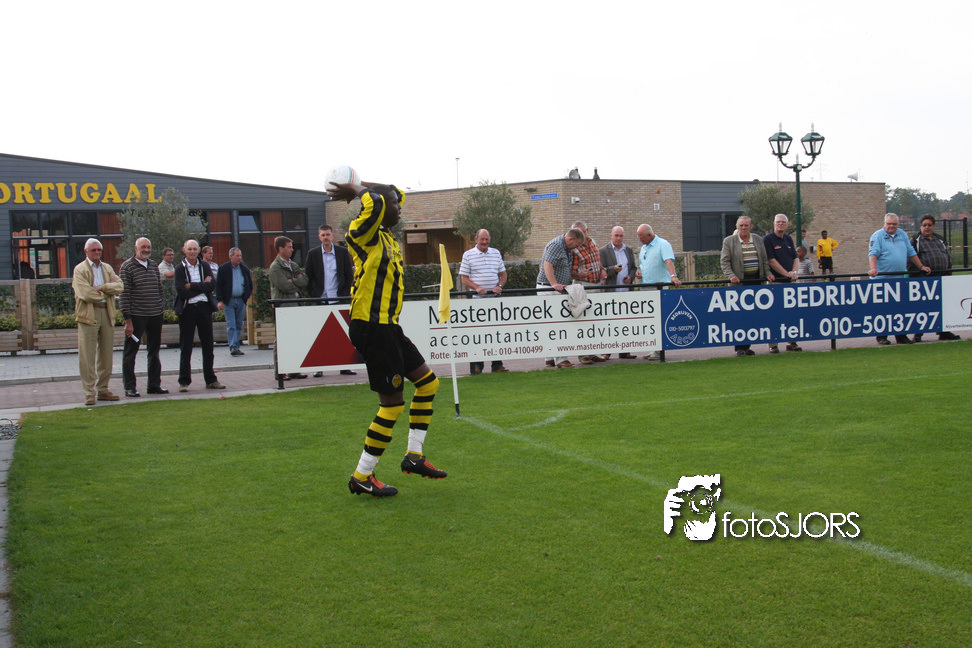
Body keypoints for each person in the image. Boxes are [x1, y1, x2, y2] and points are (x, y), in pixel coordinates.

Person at [327, 179, 447, 498]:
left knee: (428, 383)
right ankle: (361, 475)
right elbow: (378, 202)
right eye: (393, 204)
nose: (399, 207)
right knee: (391, 404)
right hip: (371, 326)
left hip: (388, 326)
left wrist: (365, 183)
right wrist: (357, 190)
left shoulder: (385, 235)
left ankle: (414, 457)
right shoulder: (362, 232)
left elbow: (393, 194)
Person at [72, 238, 124, 405]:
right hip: (88, 314)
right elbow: (85, 293)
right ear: (86, 251)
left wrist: (101, 287)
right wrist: (108, 292)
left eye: (99, 250)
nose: (97, 253)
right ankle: (89, 392)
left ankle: (103, 389)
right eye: (93, 250)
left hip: (107, 313)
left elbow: (120, 286)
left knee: (106, 355)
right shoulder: (80, 269)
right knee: (87, 355)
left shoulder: (107, 268)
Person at [867, 213, 930, 345]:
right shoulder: (877, 236)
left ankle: (901, 336)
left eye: (894, 224)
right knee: (883, 310)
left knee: (899, 309)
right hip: (882, 279)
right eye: (889, 224)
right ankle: (882, 336)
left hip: (899, 279)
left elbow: (911, 252)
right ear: (884, 223)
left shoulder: (902, 234)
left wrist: (921, 266)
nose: (891, 226)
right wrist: (873, 269)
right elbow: (873, 254)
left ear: (898, 224)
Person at [118, 237, 168, 398]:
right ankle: (129, 387)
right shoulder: (127, 267)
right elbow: (124, 294)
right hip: (136, 316)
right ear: (136, 248)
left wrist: (160, 306)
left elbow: (159, 288)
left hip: (155, 315)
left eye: (148, 247)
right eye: (143, 247)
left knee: (154, 351)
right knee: (130, 352)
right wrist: (127, 319)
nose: (146, 250)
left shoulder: (153, 265)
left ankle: (154, 385)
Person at [174, 239, 226, 391]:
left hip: (204, 308)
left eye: (194, 249)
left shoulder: (204, 266)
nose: (192, 252)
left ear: (198, 250)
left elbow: (211, 285)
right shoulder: (179, 268)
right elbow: (181, 291)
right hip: (188, 309)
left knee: (208, 345)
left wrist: (192, 286)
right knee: (186, 346)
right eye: (189, 249)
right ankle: (184, 381)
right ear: (184, 250)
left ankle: (211, 380)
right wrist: (202, 286)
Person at [305, 224, 356, 376]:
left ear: (333, 236)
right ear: (319, 237)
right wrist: (314, 294)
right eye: (323, 235)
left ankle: (344, 366)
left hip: (338, 298)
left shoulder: (342, 252)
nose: (326, 237)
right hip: (320, 299)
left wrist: (344, 294)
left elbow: (348, 275)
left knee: (342, 334)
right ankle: (319, 367)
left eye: (328, 234)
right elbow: (309, 276)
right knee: (319, 335)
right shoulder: (313, 254)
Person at [720, 216, 774, 356]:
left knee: (752, 315)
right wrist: (730, 275)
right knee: (739, 316)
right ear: (737, 227)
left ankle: (747, 346)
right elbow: (724, 262)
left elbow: (764, 259)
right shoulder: (729, 241)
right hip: (739, 283)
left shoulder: (758, 240)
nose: (743, 228)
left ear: (751, 226)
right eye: (741, 225)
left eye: (746, 225)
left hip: (755, 281)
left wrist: (767, 273)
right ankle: (739, 347)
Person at [458, 229, 509, 374]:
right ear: (476, 240)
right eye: (482, 239)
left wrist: (499, 286)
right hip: (477, 300)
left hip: (495, 299)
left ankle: (497, 364)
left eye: (487, 239)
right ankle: (477, 366)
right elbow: (464, 278)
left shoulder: (496, 253)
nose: (485, 242)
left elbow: (503, 274)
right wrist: (477, 288)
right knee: (478, 334)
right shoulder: (468, 255)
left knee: (496, 332)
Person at [536, 227, 586, 368]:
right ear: (571, 239)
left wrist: (579, 275)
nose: (577, 247)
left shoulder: (566, 249)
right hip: (549, 289)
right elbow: (547, 264)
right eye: (577, 244)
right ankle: (561, 359)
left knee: (551, 324)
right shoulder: (556, 245)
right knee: (558, 324)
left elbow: (564, 269)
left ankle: (550, 358)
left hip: (556, 289)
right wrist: (554, 284)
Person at [910, 214, 961, 342]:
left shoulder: (940, 240)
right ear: (920, 226)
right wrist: (918, 275)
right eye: (924, 225)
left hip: (942, 278)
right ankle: (918, 333)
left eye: (929, 225)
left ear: (934, 226)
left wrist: (948, 271)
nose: (927, 227)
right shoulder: (916, 240)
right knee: (924, 307)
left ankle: (943, 331)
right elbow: (910, 259)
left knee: (943, 306)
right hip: (925, 279)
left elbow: (946, 256)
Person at [635, 223, 681, 361]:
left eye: (641, 237)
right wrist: (639, 271)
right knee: (650, 320)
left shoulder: (663, 244)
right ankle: (654, 348)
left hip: (659, 289)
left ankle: (660, 350)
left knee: (659, 319)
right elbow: (642, 264)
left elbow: (668, 261)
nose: (640, 240)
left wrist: (673, 276)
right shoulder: (644, 248)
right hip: (646, 288)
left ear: (650, 235)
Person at [268, 236, 310, 380]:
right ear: (281, 249)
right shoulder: (275, 267)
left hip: (296, 305)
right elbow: (285, 286)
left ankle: (294, 369)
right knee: (281, 340)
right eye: (289, 247)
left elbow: (304, 281)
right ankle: (280, 372)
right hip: (283, 307)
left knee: (296, 338)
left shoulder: (293, 264)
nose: (292, 250)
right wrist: (296, 282)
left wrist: (294, 280)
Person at [763, 214, 802, 353]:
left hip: (790, 283)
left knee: (792, 314)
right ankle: (773, 344)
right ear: (774, 223)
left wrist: (794, 272)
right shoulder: (768, 239)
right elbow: (771, 261)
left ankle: (792, 342)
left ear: (787, 224)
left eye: (783, 222)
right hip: (776, 284)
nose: (780, 224)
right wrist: (786, 274)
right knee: (774, 315)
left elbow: (795, 258)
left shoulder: (788, 238)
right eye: (778, 222)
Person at [569, 221, 607, 365]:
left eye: (583, 232)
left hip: (597, 284)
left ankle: (592, 352)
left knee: (594, 320)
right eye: (578, 233)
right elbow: (571, 272)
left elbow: (598, 261)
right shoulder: (574, 249)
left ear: (587, 231)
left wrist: (602, 270)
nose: (581, 235)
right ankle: (583, 354)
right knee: (583, 321)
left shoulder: (593, 242)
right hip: (583, 286)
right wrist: (580, 274)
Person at [598, 226, 638, 360]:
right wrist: (613, 270)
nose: (619, 238)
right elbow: (601, 271)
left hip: (626, 292)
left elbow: (633, 268)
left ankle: (625, 351)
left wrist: (631, 277)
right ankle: (606, 351)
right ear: (611, 236)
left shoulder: (629, 250)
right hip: (610, 292)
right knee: (609, 323)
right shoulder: (604, 251)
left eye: (621, 236)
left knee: (625, 323)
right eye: (616, 235)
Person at [215, 247, 253, 357]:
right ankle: (233, 347)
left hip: (241, 300)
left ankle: (236, 346)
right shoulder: (223, 269)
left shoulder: (244, 269)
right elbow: (218, 285)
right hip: (229, 300)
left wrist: (247, 295)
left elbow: (249, 284)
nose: (239, 258)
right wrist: (220, 300)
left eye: (240, 256)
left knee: (239, 324)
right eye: (237, 256)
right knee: (231, 324)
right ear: (231, 256)